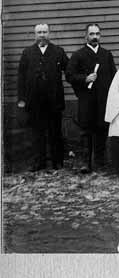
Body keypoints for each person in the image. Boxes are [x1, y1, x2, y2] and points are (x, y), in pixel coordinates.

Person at [17, 23, 69, 171]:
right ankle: (38, 162)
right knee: (37, 133)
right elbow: (21, 76)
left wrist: (84, 78)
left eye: (44, 32)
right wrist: (21, 99)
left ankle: (57, 161)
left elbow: (69, 70)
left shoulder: (58, 51)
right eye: (39, 32)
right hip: (34, 101)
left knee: (55, 132)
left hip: (54, 100)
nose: (42, 35)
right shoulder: (27, 52)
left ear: (49, 33)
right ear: (35, 34)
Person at [66, 23, 117, 173]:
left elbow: (114, 77)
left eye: (97, 34)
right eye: (92, 34)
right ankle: (85, 163)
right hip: (86, 99)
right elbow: (69, 75)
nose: (95, 37)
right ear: (86, 36)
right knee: (86, 131)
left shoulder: (106, 54)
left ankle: (100, 162)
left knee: (102, 130)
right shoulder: (78, 55)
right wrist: (85, 78)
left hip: (103, 100)